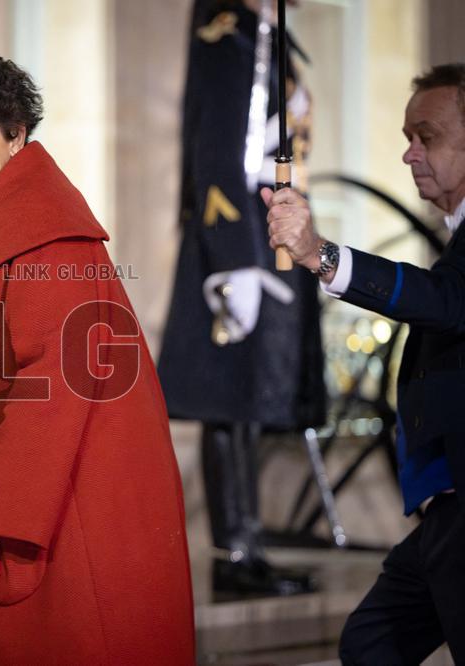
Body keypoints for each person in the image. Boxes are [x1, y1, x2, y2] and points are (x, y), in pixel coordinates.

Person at [0, 55, 195, 665]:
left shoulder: (43, 231)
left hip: (68, 499)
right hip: (50, 484)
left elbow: (56, 380)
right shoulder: (3, 218)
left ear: (15, 133)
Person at [266, 63, 465, 664]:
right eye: (407, 137)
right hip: (445, 510)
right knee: (371, 643)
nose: (409, 154)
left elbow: (446, 301)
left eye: (427, 137)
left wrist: (319, 254)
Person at [158, 0, 325, 596]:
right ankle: (234, 554)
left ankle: (249, 548)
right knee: (230, 398)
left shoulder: (267, 34)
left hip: (271, 224)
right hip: (241, 236)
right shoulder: (230, 33)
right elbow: (217, 149)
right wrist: (234, 257)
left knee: (253, 397)